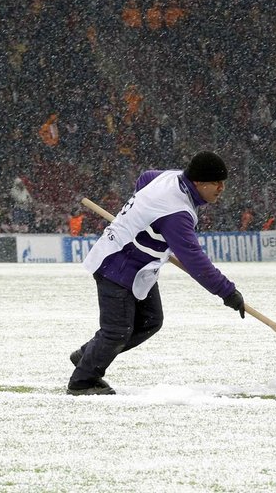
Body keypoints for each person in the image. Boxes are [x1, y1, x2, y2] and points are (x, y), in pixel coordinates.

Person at [67, 151, 245, 396]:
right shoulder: (176, 215)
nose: (221, 188)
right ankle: (83, 381)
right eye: (216, 182)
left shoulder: (170, 178)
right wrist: (228, 292)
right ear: (198, 183)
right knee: (116, 331)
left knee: (151, 321)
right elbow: (195, 261)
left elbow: (145, 178)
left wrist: (143, 213)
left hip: (141, 267)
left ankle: (89, 355)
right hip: (116, 264)